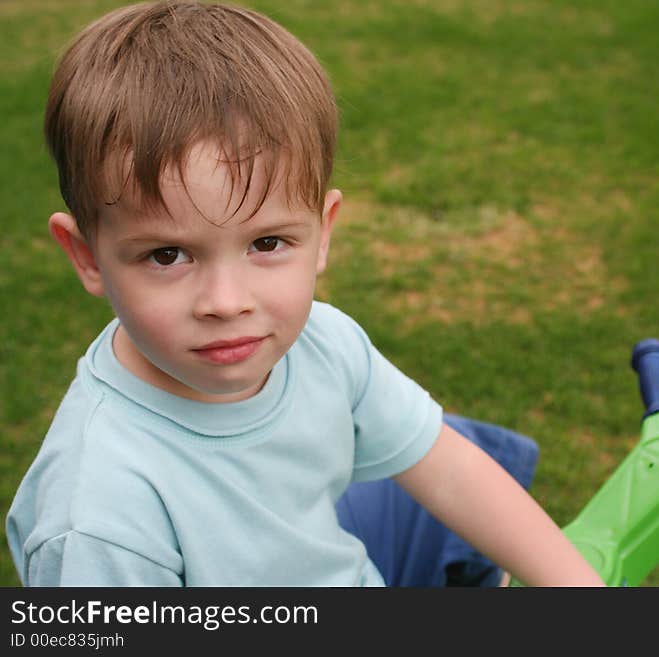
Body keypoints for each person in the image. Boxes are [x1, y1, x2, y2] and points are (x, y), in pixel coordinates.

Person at [5, 1, 605, 587]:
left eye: (267, 243)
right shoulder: (97, 520)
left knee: (455, 442)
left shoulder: (324, 344)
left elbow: (448, 473)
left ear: (323, 233)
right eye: (167, 255)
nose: (226, 301)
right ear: (86, 256)